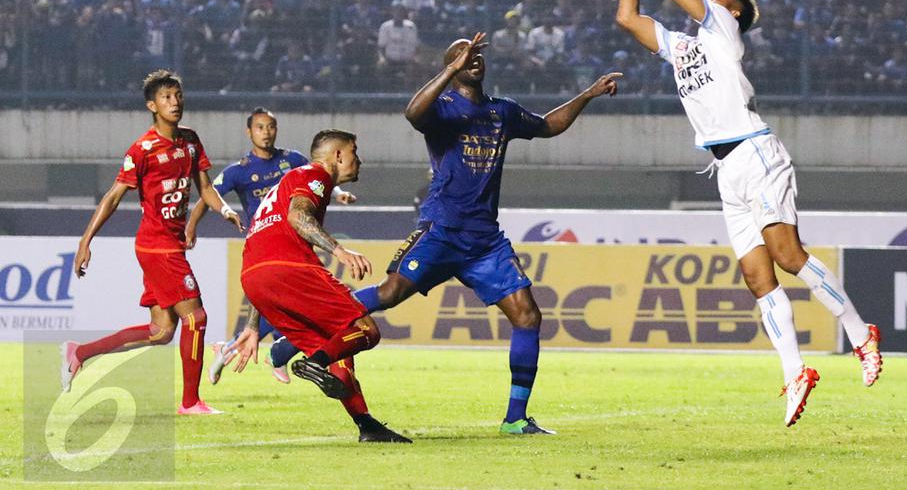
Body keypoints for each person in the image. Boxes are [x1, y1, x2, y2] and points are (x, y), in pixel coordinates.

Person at [275, 33, 621, 435]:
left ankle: (515, 419)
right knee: (388, 294)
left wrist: (588, 94)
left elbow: (546, 126)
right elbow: (412, 114)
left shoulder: (501, 112)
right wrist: (450, 69)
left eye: (476, 55)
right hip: (441, 229)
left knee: (527, 315)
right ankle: (294, 341)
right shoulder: (440, 108)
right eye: (461, 55)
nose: (471, 59)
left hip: (484, 240)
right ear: (450, 65)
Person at [614, 0, 882, 427]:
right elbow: (627, 18)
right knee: (757, 278)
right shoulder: (683, 48)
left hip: (755, 152)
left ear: (732, 12)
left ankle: (860, 331)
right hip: (724, 167)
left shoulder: (722, 30)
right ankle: (796, 372)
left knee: (787, 256)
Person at [64, 70, 243, 415]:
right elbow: (114, 197)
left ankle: (79, 353)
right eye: (166, 98)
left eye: (177, 96)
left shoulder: (190, 140)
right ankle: (190, 402)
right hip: (156, 246)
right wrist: (86, 240)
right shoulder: (143, 149)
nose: (174, 102)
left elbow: (205, 187)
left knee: (161, 331)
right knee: (196, 318)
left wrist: (224, 210)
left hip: (171, 243)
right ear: (152, 105)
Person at [228, 129, 410, 443]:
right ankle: (313, 363)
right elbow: (298, 216)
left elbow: (262, 252)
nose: (359, 159)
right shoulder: (316, 175)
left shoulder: (285, 184)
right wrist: (340, 250)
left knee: (338, 339)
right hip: (289, 268)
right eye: (355, 151)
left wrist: (253, 324)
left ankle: (366, 425)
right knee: (366, 330)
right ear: (338, 155)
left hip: (254, 276)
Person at [183, 107, 356, 386]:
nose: (266, 132)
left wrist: (338, 193)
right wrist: (192, 225)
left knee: (282, 308)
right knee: (298, 306)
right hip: (267, 242)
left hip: (292, 241)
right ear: (249, 132)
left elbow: (323, 174)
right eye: (260, 127)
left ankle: (258, 350)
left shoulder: (293, 159)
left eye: (271, 127)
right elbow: (208, 194)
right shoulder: (239, 171)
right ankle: (271, 352)